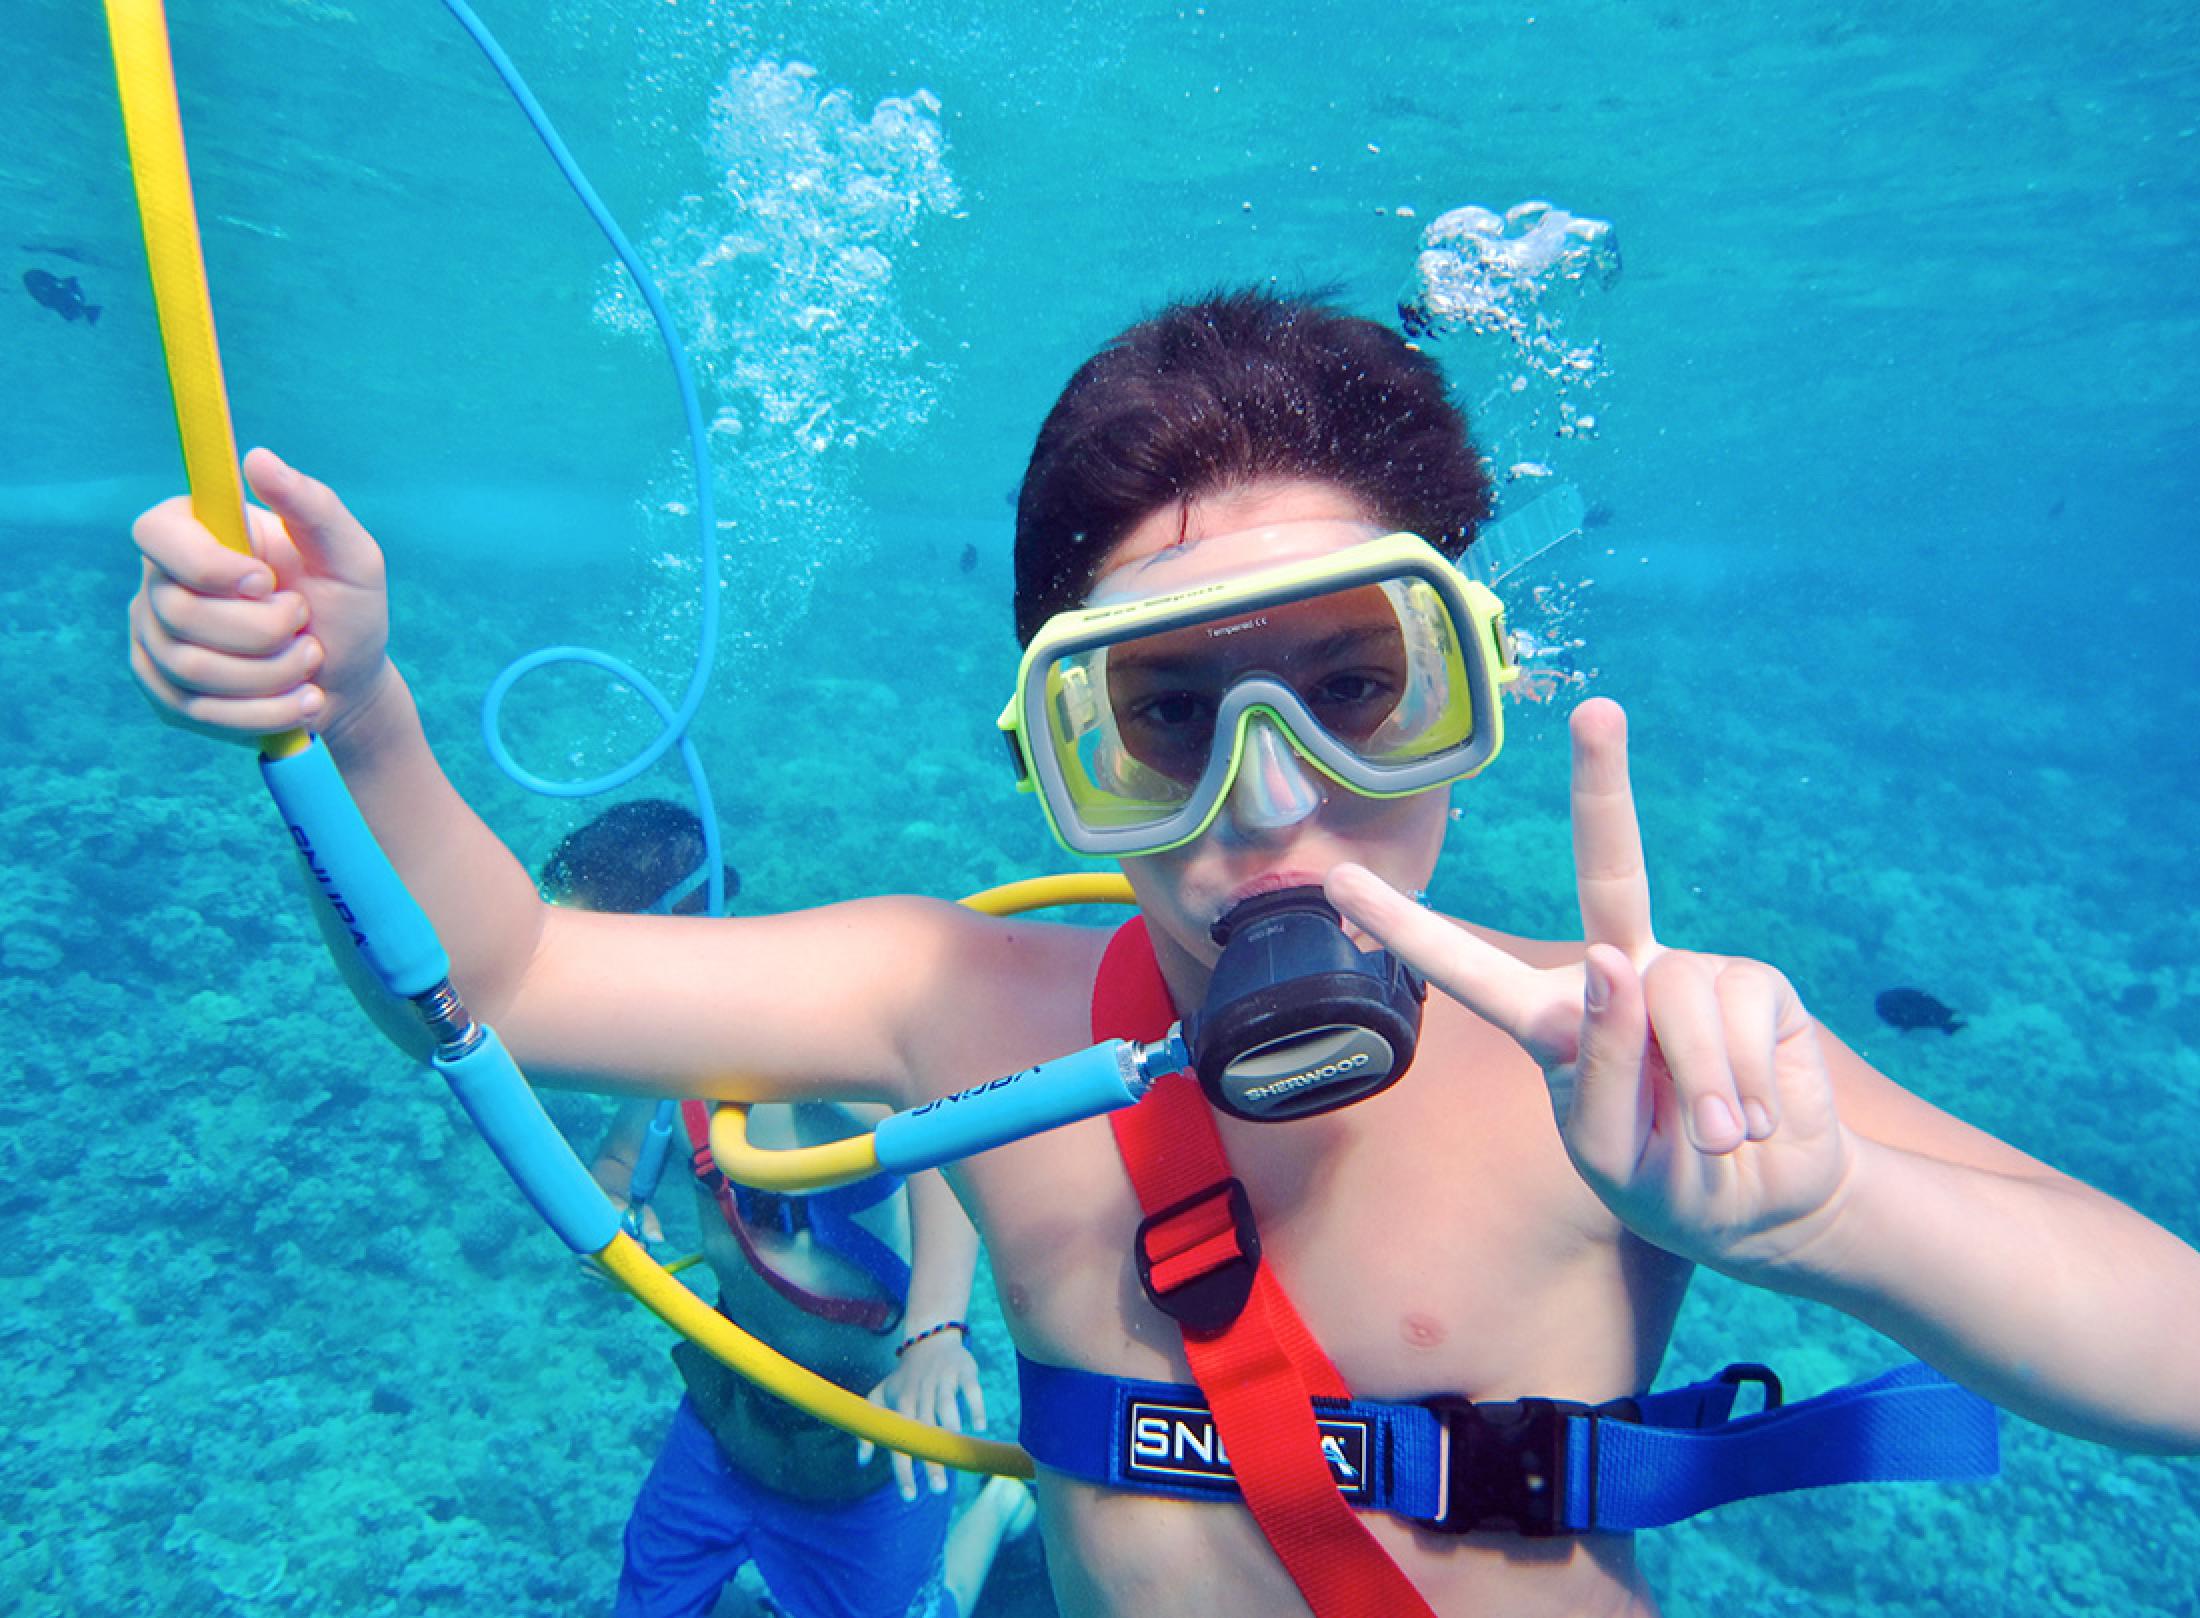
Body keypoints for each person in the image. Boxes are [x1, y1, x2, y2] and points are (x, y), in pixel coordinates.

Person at [126, 289, 2200, 1618]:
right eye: (1165, 718)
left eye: (1352, 689)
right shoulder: (965, 1006)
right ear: (1060, 752)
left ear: (1466, 687)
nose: (1270, 803)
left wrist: (1830, 1210)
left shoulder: (1623, 1060)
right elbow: (507, 977)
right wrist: (357, 714)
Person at [540, 800, 1035, 1618]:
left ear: (672, 932)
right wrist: (614, 1214)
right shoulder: (663, 1060)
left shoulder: (806, 1037)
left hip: (871, 1439)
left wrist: (936, 1332)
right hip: (728, 1420)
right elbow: (620, 1164)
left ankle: (996, 1512)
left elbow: (942, 1151)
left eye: (584, 959)